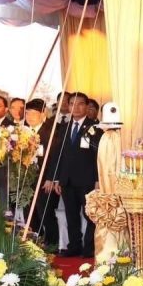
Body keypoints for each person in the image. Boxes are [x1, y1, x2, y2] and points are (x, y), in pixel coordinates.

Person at [54, 92, 102, 257]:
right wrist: (57, 178)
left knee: (90, 215)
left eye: (80, 103)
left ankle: (89, 248)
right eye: (72, 103)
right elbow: (58, 154)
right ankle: (74, 246)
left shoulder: (95, 128)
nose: (75, 107)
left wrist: (97, 179)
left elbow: (98, 156)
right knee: (71, 215)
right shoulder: (64, 127)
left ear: (87, 106)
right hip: (67, 180)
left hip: (87, 180)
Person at [24, 98, 62, 247]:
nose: (29, 117)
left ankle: (52, 243)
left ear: (42, 114)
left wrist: (51, 178)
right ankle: (34, 243)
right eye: (27, 113)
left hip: (44, 179)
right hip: (27, 179)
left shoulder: (51, 132)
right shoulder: (23, 132)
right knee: (29, 212)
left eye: (33, 113)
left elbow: (55, 158)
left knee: (45, 212)